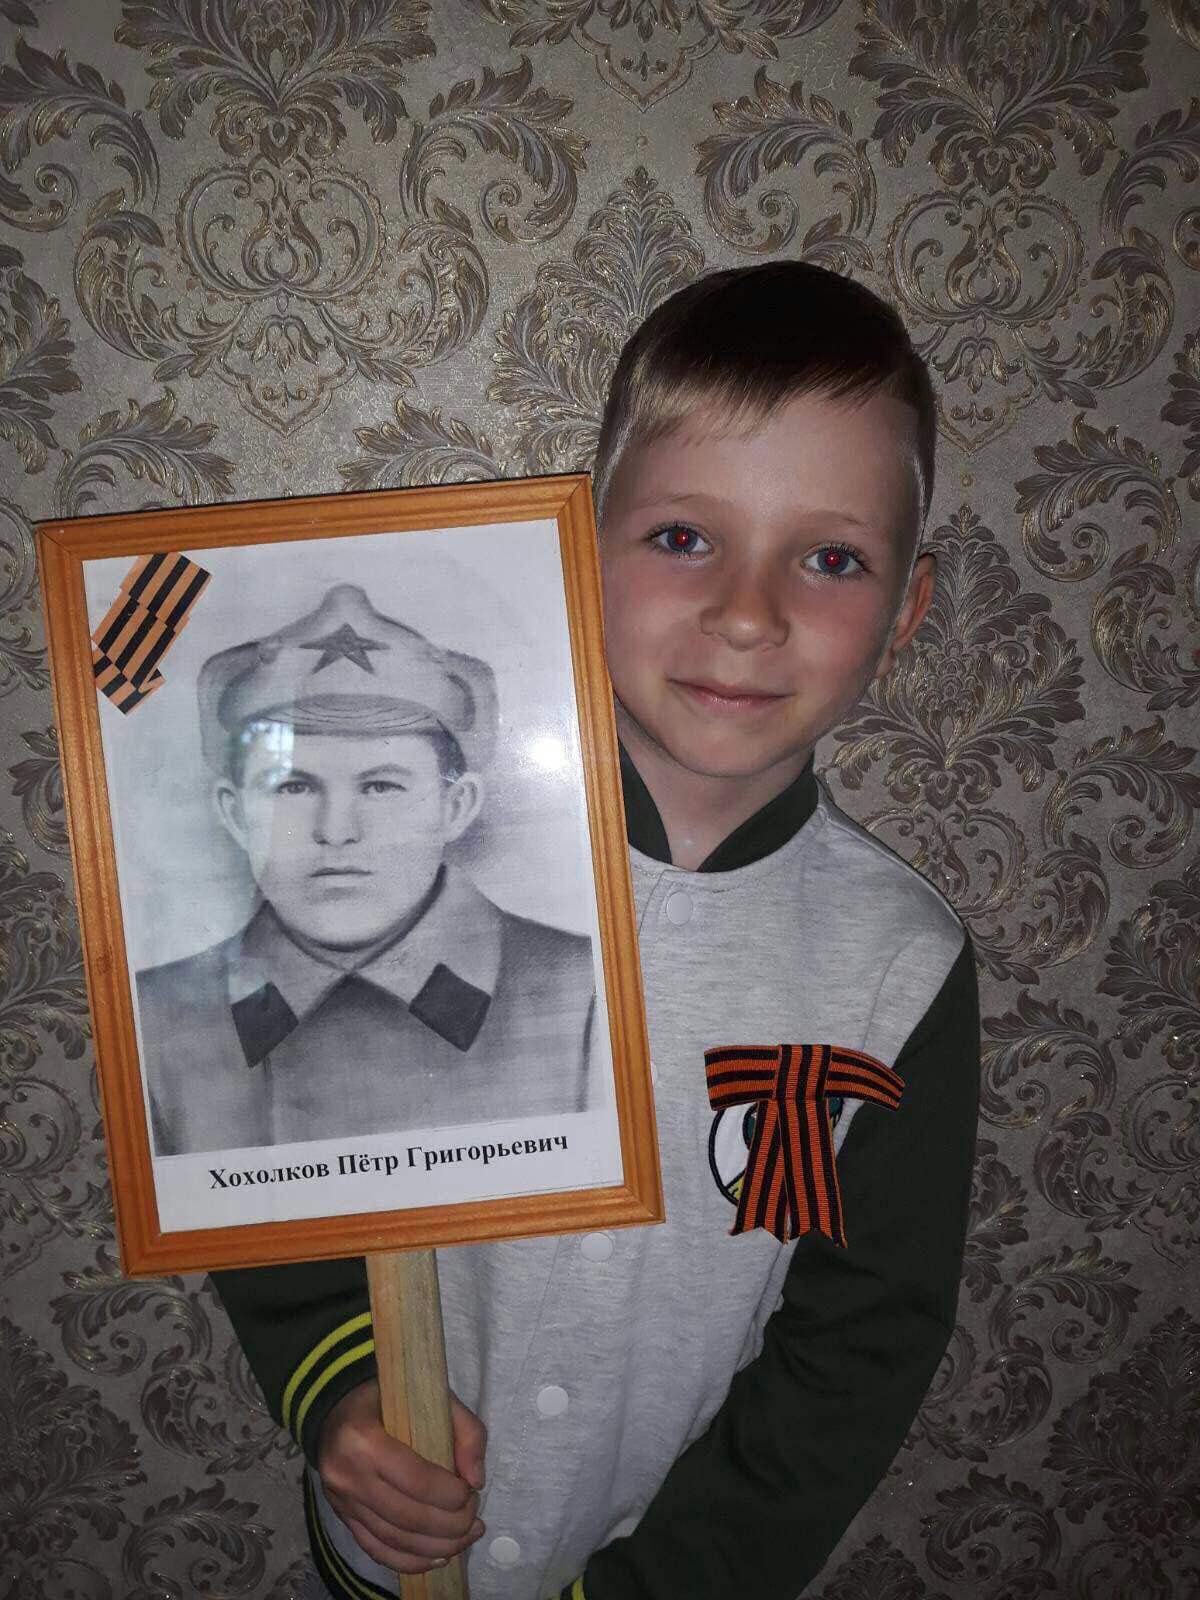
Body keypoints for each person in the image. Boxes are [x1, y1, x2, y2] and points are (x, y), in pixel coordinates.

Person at [211, 261, 981, 1599]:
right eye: (685, 537)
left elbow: (856, 1347)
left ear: (906, 610)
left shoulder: (901, 969)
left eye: (830, 558)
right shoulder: (392, 862)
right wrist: (336, 1387)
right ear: (580, 547)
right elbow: (269, 1147)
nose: (748, 613)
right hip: (392, 1560)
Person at [140, 582, 597, 1156]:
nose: (336, 831)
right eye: (294, 787)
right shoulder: (150, 1018)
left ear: (455, 806)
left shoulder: (586, 994)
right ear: (235, 814)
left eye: (381, 786)